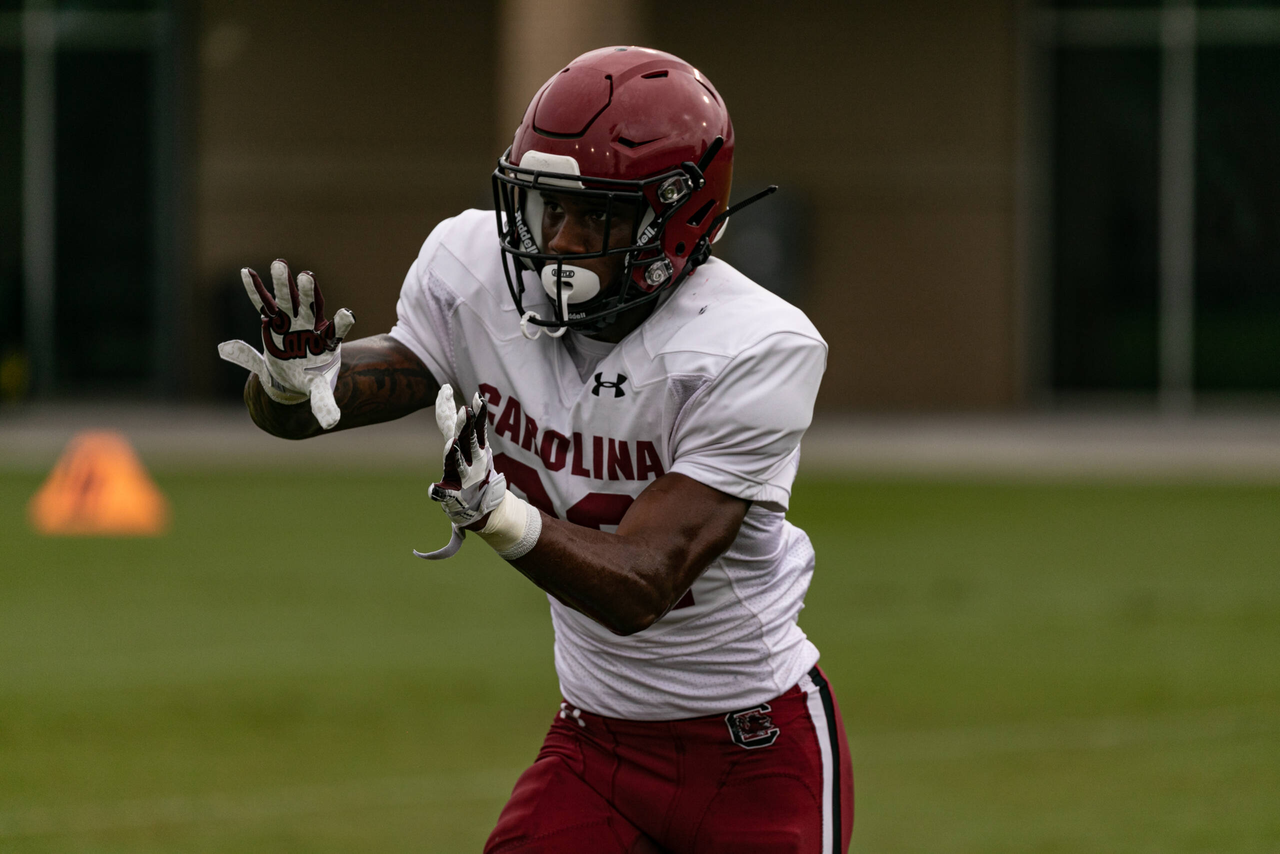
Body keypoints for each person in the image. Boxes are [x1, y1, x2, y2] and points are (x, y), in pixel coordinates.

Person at [219, 45, 852, 854]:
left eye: (598, 215)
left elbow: (643, 585)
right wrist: (291, 381)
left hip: (751, 749)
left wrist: (497, 514)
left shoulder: (751, 344)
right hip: (597, 744)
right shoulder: (473, 269)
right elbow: (318, 408)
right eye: (549, 207)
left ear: (678, 218)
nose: (559, 241)